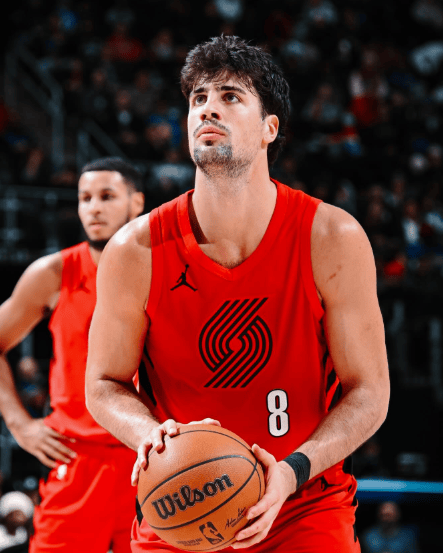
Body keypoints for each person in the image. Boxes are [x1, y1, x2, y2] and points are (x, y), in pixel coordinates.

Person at [85, 36, 390, 553]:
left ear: (270, 127)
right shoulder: (135, 250)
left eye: (230, 96)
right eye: (198, 98)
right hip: (180, 506)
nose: (208, 108)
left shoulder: (332, 238)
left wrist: (292, 471)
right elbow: (102, 384)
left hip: (303, 505)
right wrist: (148, 435)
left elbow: (369, 392)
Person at [0, 157, 145, 552]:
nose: (93, 207)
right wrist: (20, 424)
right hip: (76, 457)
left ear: (136, 203)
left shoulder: (166, 270)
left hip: (147, 456)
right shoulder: (53, 272)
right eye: (85, 198)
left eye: (107, 196)